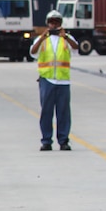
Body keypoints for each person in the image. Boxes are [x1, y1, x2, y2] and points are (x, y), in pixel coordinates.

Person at [30, 9, 77, 151]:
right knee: (46, 112)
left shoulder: (66, 38)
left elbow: (76, 48)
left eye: (56, 22)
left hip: (63, 81)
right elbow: (33, 52)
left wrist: (66, 37)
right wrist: (42, 37)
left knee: (63, 113)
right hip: (47, 80)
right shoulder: (42, 39)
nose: (54, 25)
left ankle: (63, 141)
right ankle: (46, 141)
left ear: (60, 24)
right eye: (51, 22)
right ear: (47, 24)